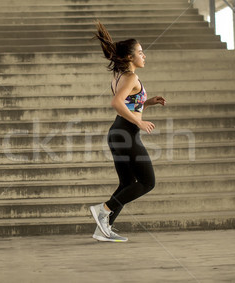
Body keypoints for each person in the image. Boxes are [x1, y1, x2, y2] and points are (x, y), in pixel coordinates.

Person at [89, 21, 166, 242]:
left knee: (126, 183)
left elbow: (129, 103)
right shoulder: (131, 77)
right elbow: (117, 103)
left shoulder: (120, 77)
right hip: (126, 133)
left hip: (118, 133)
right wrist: (140, 123)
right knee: (147, 182)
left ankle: (103, 229)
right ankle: (104, 210)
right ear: (131, 57)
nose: (144, 56)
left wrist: (148, 102)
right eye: (141, 53)